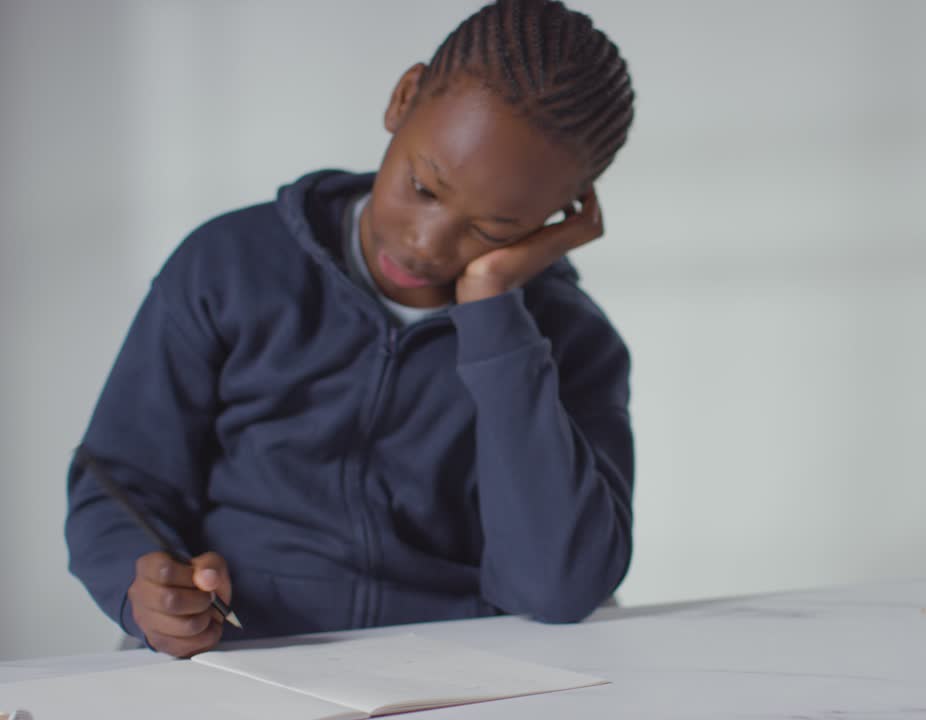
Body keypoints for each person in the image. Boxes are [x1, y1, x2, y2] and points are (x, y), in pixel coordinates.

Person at [65, 0, 636, 659]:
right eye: (424, 187)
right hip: (237, 662)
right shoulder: (229, 266)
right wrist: (140, 588)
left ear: (560, 219)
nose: (426, 245)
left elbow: (558, 588)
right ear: (404, 97)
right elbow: (118, 479)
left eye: (492, 230)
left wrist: (493, 314)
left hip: (454, 677)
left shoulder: (571, 343)